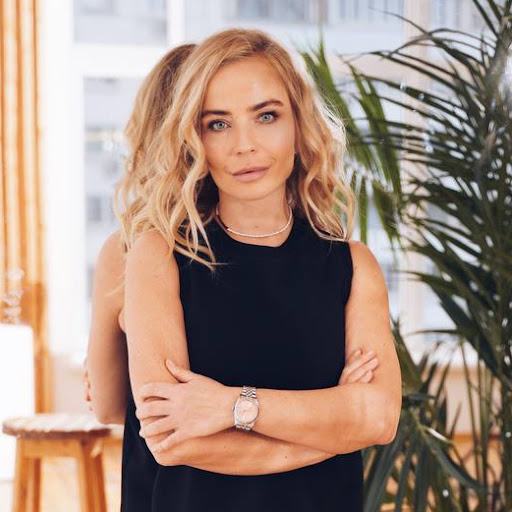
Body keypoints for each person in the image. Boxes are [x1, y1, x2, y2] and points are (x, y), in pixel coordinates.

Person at [94, 27, 401, 511]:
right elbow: (171, 440)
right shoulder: (159, 255)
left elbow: (379, 419)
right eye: (218, 124)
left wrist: (230, 406)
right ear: (194, 140)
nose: (245, 145)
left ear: (299, 124)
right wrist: (333, 430)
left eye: (267, 116)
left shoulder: (354, 266)